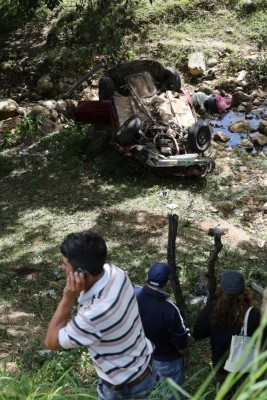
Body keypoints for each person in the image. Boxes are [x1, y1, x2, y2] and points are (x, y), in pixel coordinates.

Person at [45, 230, 156, 400]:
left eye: (64, 264)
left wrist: (68, 298)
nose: (62, 267)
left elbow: (51, 341)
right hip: (144, 370)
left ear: (81, 273)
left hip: (123, 389)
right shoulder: (116, 273)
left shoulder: (94, 315)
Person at [193, 270, 262, 398]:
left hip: (221, 367)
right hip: (245, 367)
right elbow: (262, 342)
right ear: (244, 290)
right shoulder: (253, 314)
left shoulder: (210, 309)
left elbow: (197, 334)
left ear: (221, 289)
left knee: (224, 396)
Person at [135, 262, 190, 400]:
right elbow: (181, 343)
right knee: (172, 396)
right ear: (167, 283)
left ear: (147, 276)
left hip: (142, 358)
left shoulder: (134, 295)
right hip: (168, 361)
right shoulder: (170, 310)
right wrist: (186, 355)